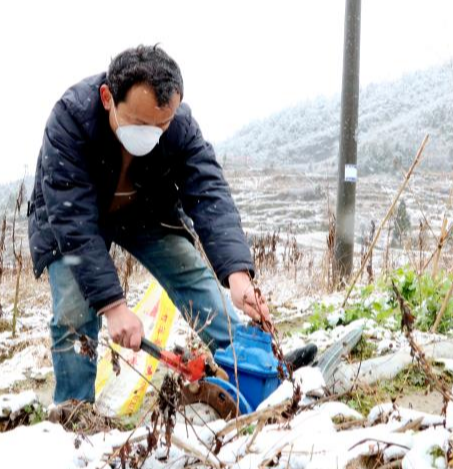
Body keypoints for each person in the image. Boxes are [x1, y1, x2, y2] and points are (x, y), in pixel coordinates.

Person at [28, 45, 316, 404]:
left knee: (191, 274)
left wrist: (238, 275)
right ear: (107, 98)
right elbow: (72, 220)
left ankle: (250, 370)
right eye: (140, 124)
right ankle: (74, 411)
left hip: (143, 212)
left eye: (161, 125)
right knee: (74, 311)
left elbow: (209, 192)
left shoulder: (179, 125)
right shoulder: (70, 119)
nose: (152, 134)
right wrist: (114, 306)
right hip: (74, 218)